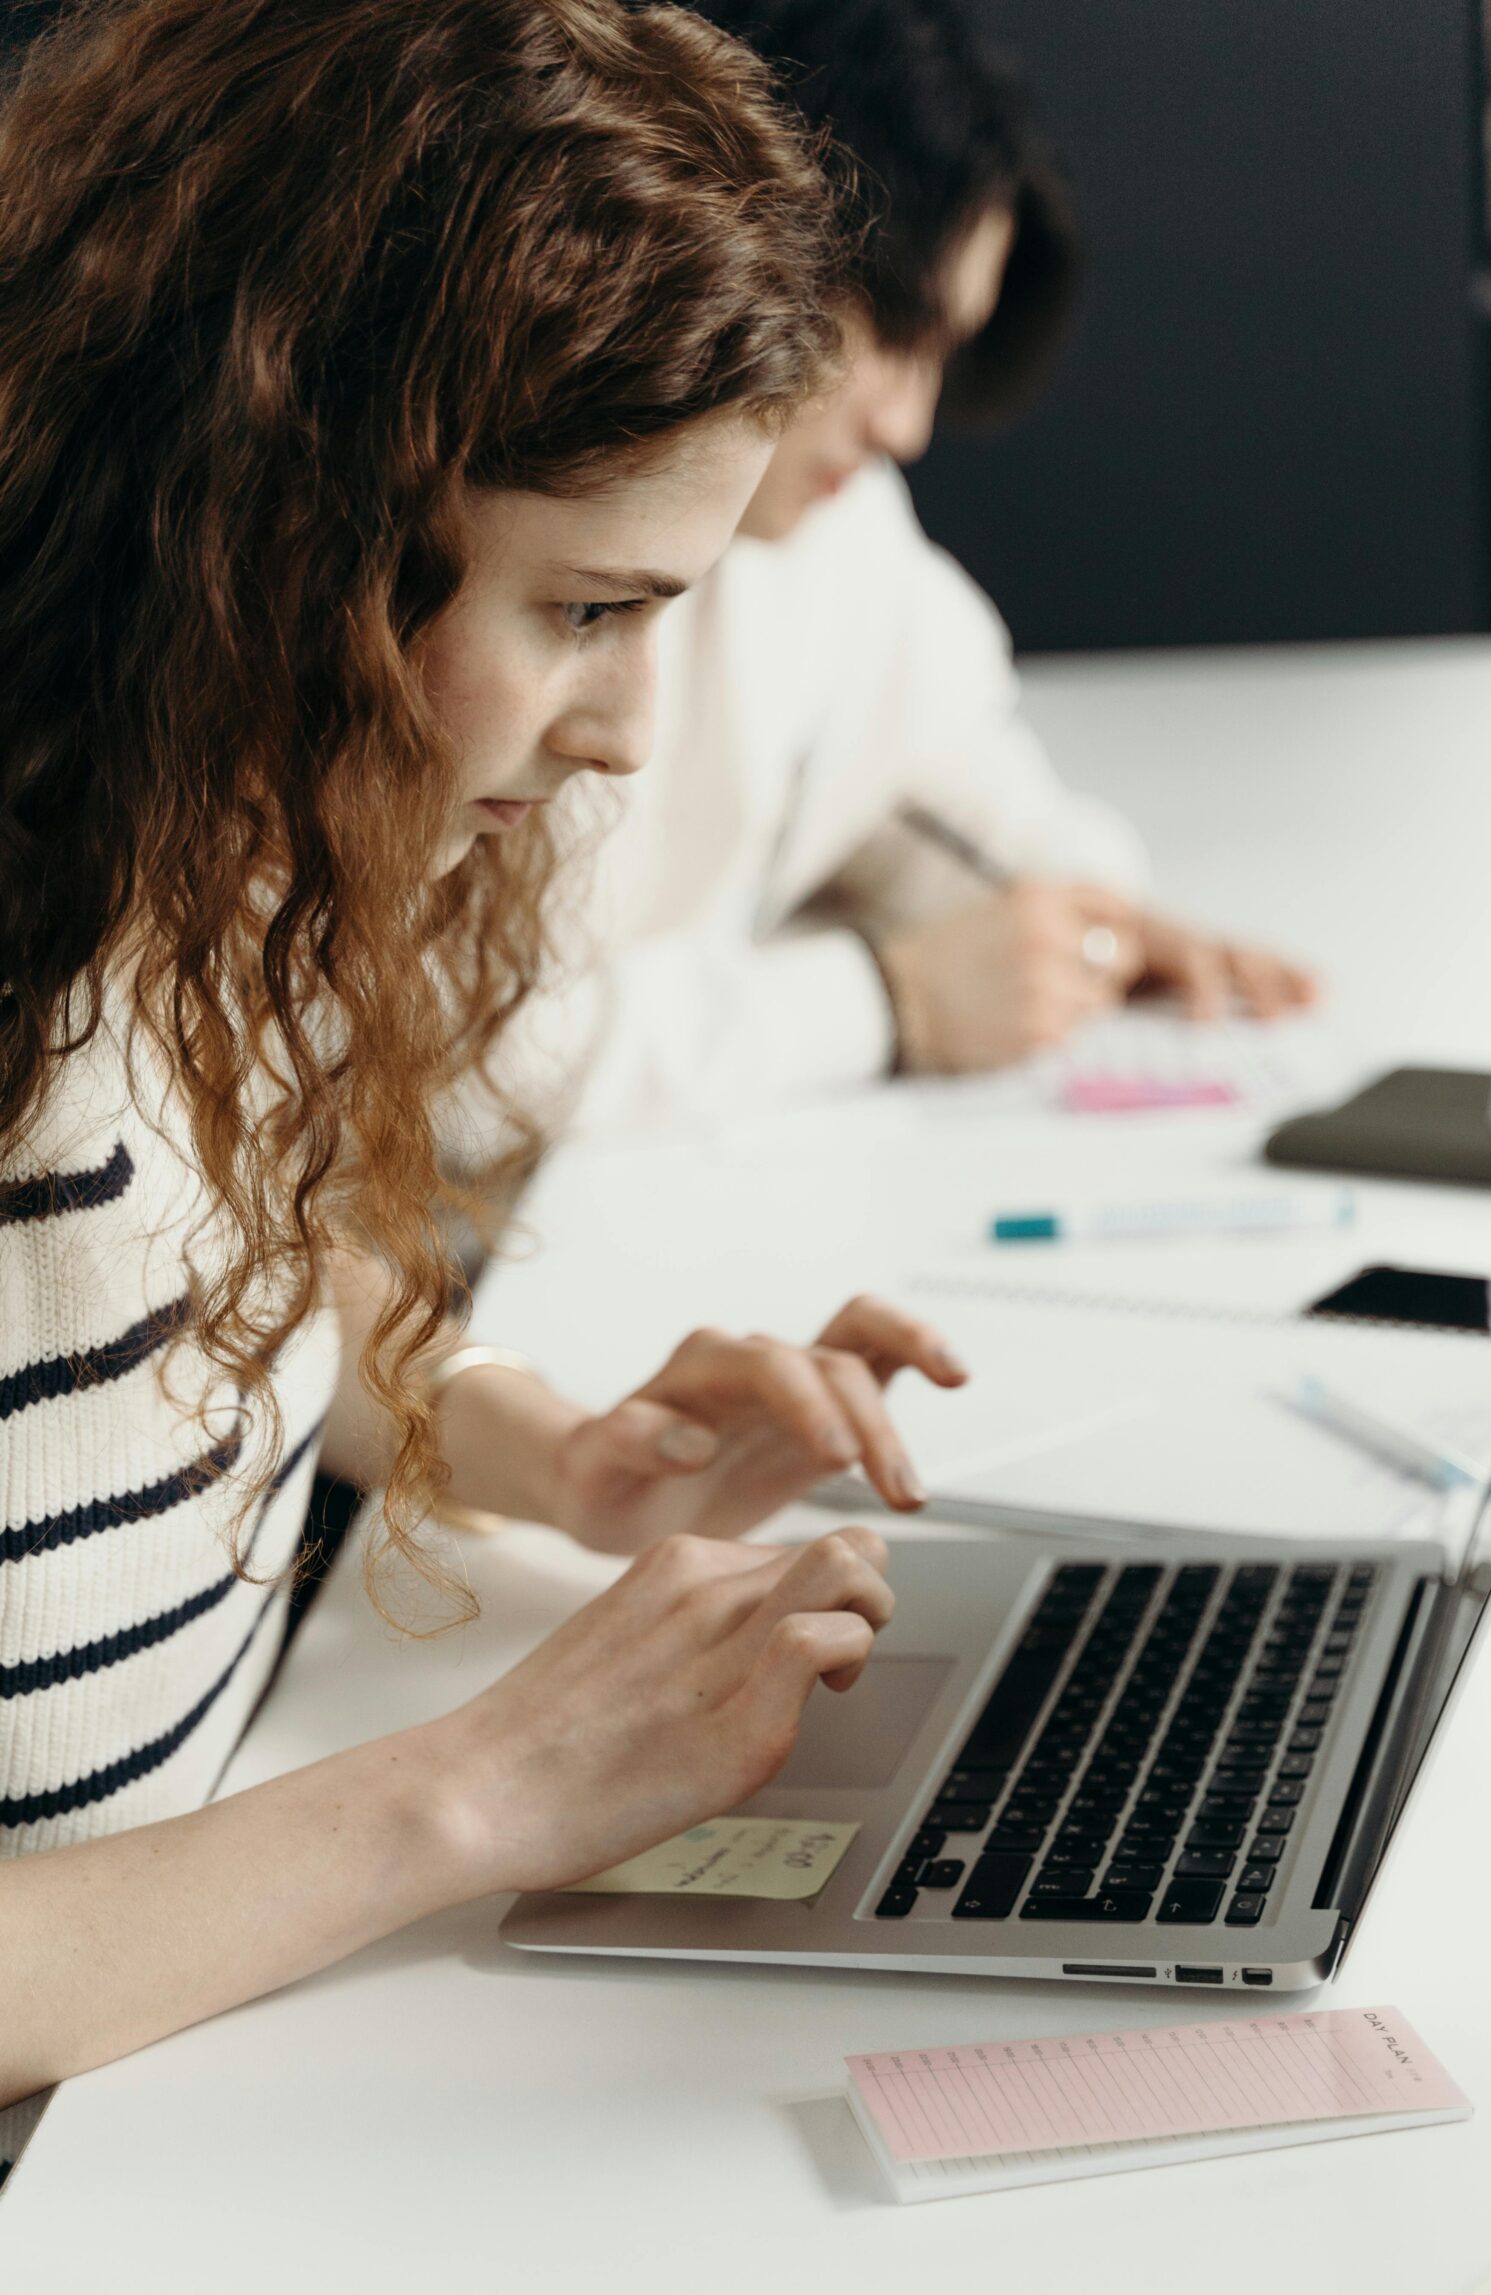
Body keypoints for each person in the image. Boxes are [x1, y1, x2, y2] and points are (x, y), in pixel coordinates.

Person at [0, 0, 969, 2163]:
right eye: (586, 611)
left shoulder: (217, 858)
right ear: (279, 528)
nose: (626, 727)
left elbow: (228, 1279)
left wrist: (550, 1445)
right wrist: (481, 1785)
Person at [468, 0, 1317, 1144]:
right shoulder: (509, 521)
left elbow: (944, 768)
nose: (910, 426)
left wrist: (1088, 919)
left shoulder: (834, 530)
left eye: (945, 355)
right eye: (896, 327)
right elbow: (446, 1059)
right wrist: (889, 1001)